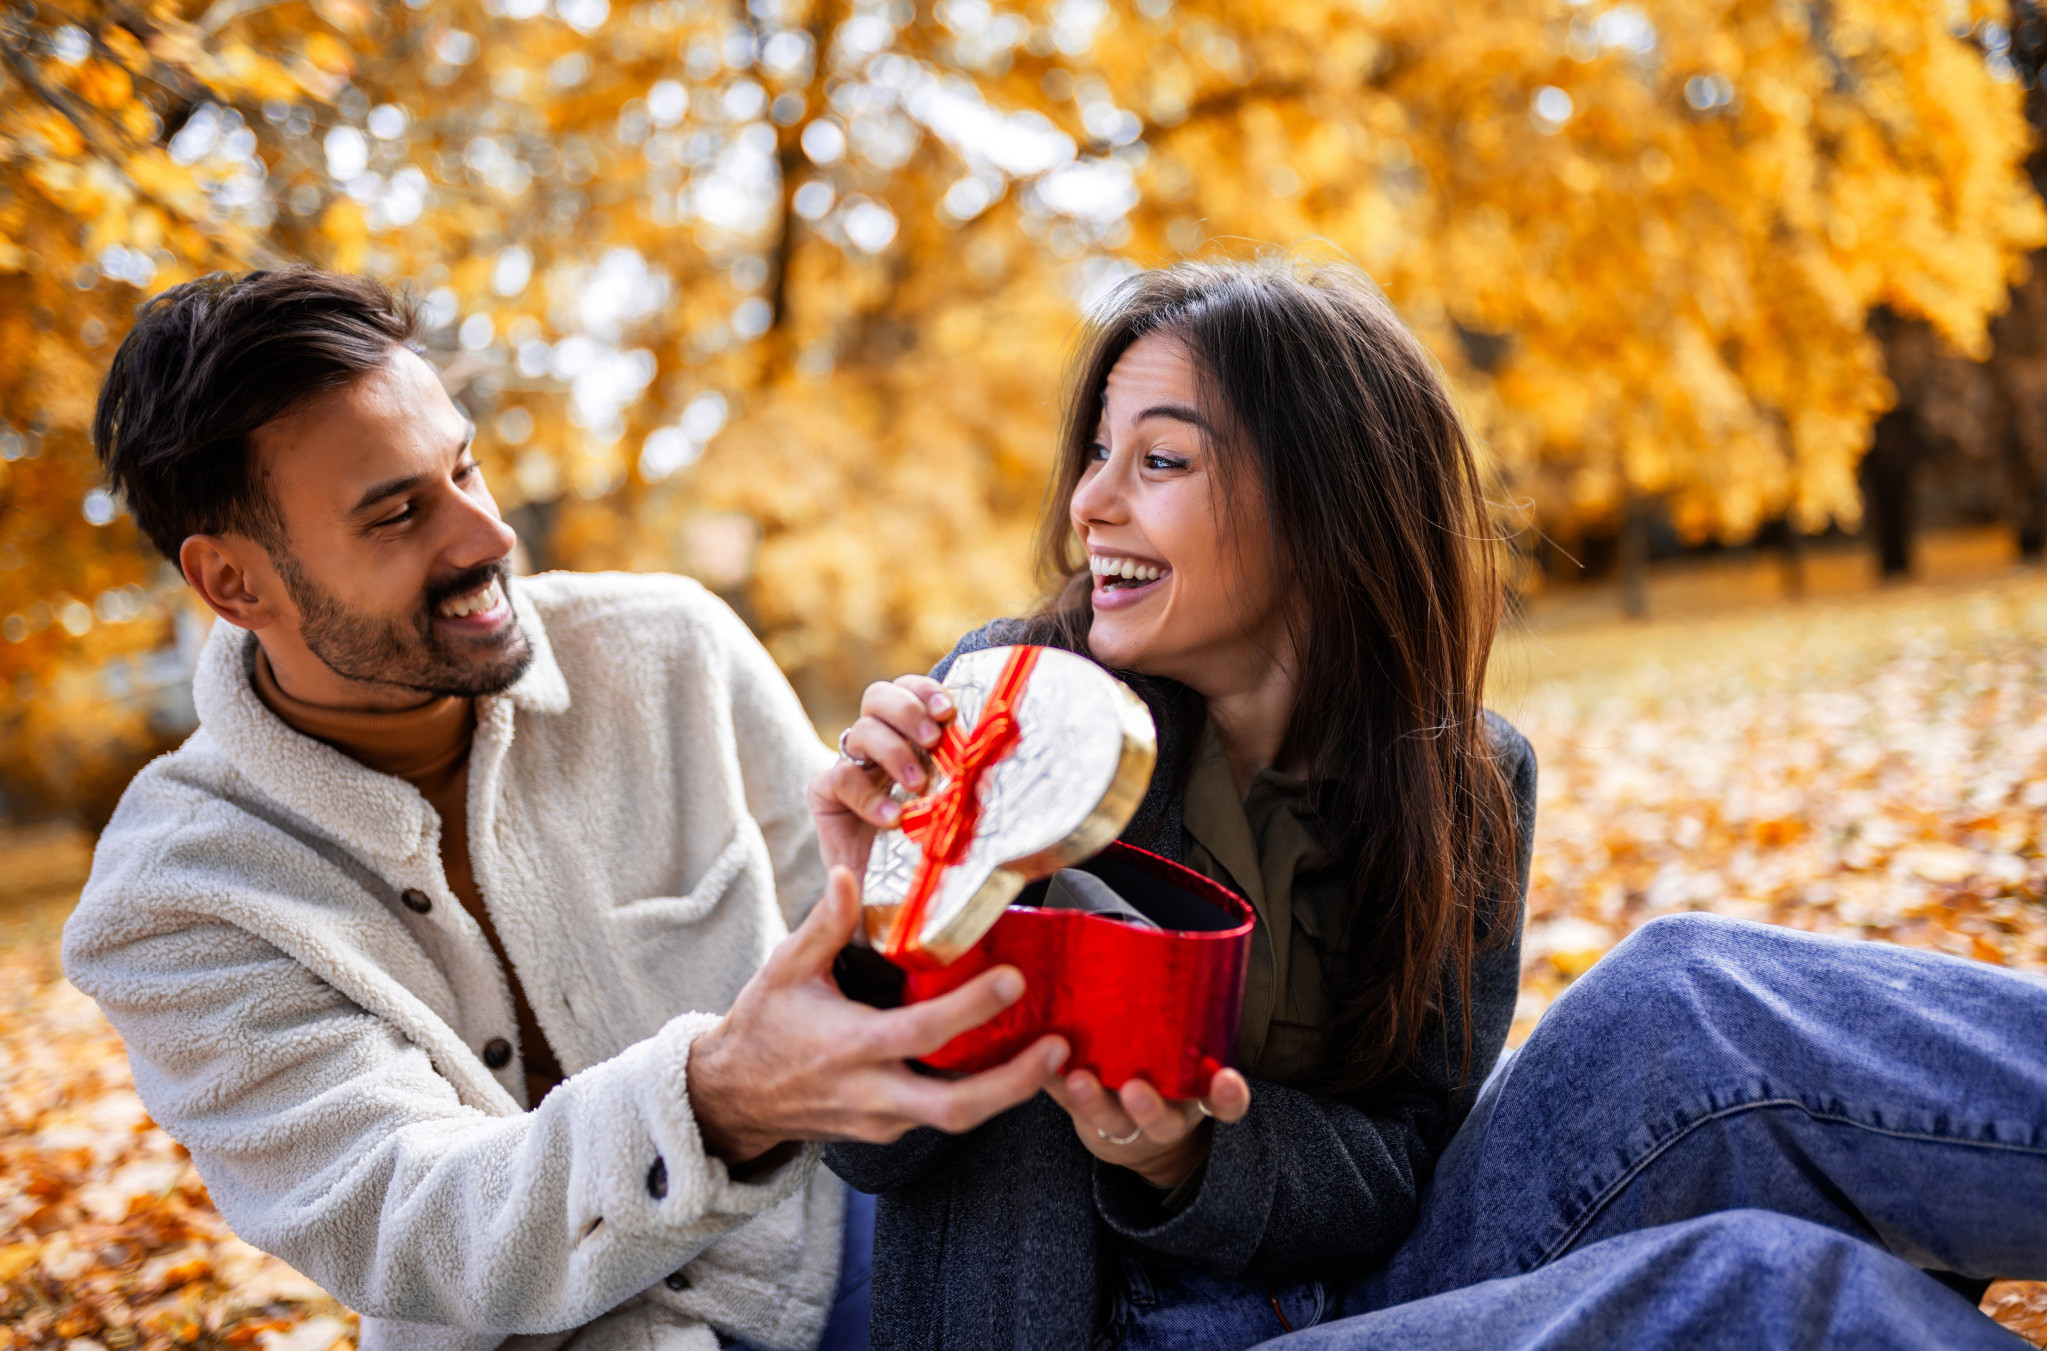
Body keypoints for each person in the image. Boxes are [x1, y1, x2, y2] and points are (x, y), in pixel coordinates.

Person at [813, 258, 2047, 1350]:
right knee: (1780, 1290)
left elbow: (1399, 1161)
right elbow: (871, 1143)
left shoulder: (1464, 784)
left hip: (1396, 1292)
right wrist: (884, 905)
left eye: (1161, 458)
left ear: (1320, 501)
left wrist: (1198, 1149)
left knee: (1684, 1000)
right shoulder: (1018, 717)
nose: (1090, 501)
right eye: (1097, 451)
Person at [61, 268, 1069, 1351]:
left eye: (466, 467)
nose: (484, 534)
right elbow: (416, 1222)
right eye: (399, 512)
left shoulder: (674, 650)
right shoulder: (171, 899)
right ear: (234, 585)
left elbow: (871, 986)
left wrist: (907, 876)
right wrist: (721, 1095)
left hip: (848, 1242)